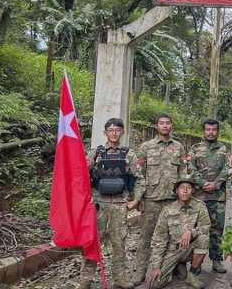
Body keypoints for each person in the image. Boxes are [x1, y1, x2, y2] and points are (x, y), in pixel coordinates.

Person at [79, 118, 143, 289]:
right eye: (111, 130)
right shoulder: (95, 153)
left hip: (120, 204)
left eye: (117, 130)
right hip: (98, 204)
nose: (114, 133)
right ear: (105, 132)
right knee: (92, 243)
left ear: (122, 132)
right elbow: (81, 175)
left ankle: (119, 279)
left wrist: (135, 200)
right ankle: (85, 280)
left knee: (119, 243)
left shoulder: (129, 154)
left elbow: (139, 179)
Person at [131, 114, 186, 286]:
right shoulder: (146, 147)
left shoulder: (179, 147)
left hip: (172, 201)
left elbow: (183, 173)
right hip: (151, 200)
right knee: (146, 238)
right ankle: (140, 272)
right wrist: (138, 198)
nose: (165, 126)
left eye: (168, 123)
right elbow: (138, 175)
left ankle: (176, 268)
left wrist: (183, 197)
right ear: (156, 126)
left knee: (175, 236)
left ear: (171, 126)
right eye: (161, 123)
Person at [144, 174, 210, 289]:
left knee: (204, 239)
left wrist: (191, 232)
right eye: (181, 188)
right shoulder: (167, 210)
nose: (185, 191)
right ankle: (179, 266)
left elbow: (206, 226)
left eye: (188, 187)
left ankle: (192, 274)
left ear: (192, 191)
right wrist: (156, 266)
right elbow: (159, 239)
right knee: (154, 285)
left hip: (189, 248)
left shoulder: (199, 206)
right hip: (172, 250)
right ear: (176, 191)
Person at [188, 118, 229, 273]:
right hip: (199, 197)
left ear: (217, 131)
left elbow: (227, 169)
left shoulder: (223, 149)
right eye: (208, 129)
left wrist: (216, 184)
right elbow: (190, 168)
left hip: (218, 197)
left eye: (214, 130)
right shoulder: (195, 149)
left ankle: (217, 260)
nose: (211, 132)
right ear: (203, 131)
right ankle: (195, 263)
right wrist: (203, 183)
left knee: (217, 230)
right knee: (197, 229)